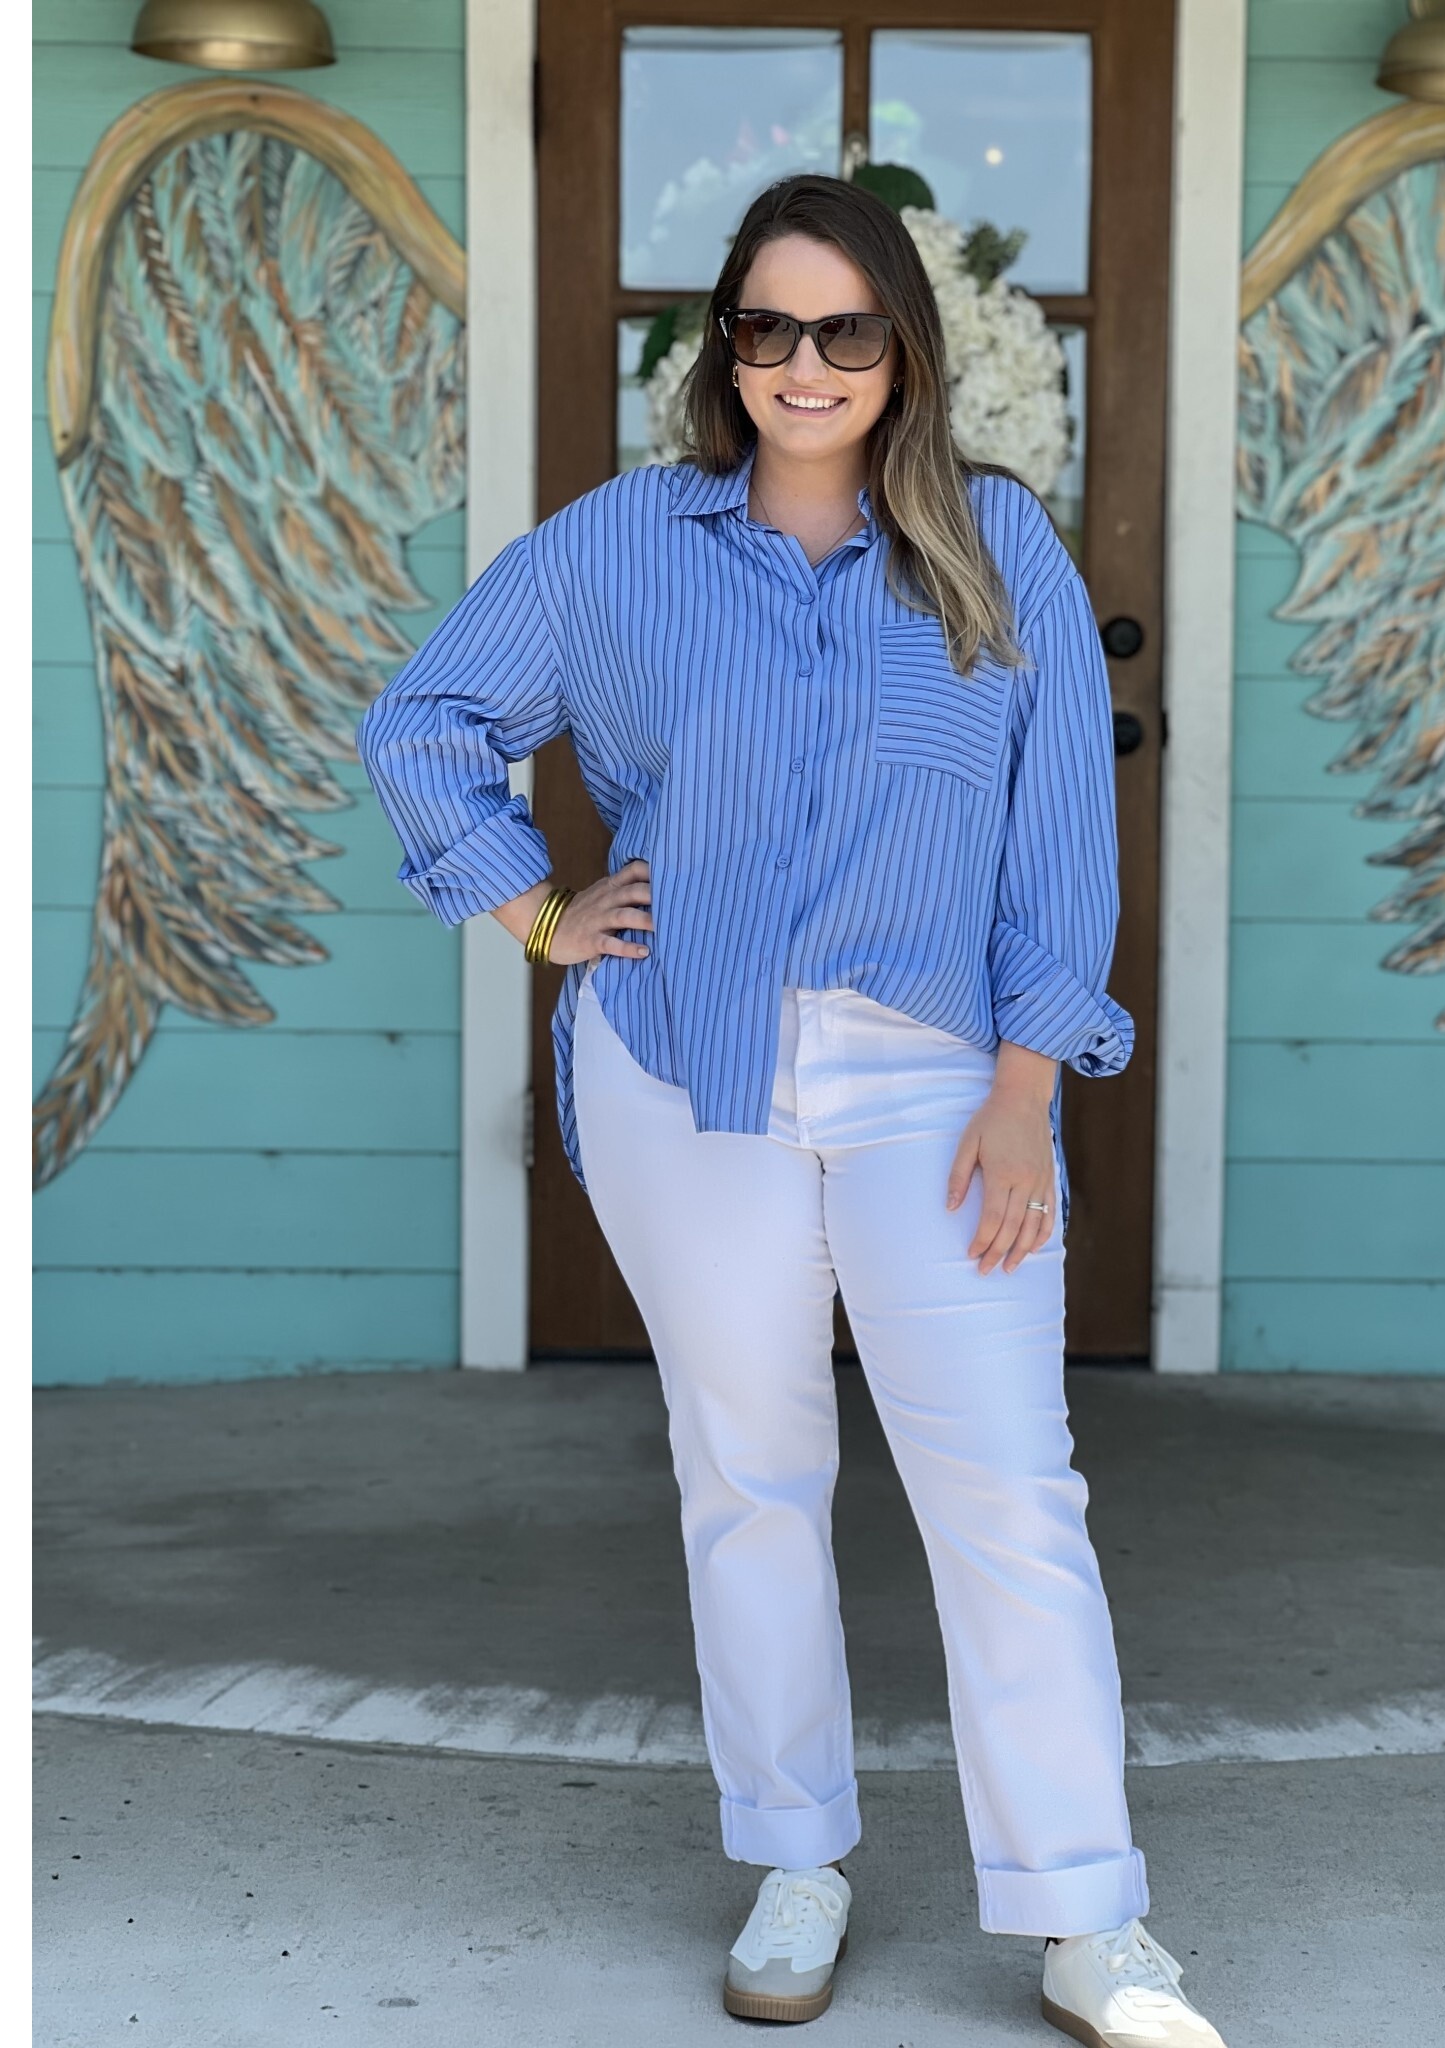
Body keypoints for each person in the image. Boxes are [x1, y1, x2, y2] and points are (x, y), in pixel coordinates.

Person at [359, 173, 1225, 2046]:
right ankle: (795, 1855)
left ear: (901, 345)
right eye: (768, 329)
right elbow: (424, 717)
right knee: (750, 1472)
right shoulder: (622, 544)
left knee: (1006, 1485)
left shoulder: (999, 553)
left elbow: (1058, 841)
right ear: (724, 353)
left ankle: (1086, 1915)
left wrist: (1025, 1087)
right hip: (687, 1062)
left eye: (844, 328)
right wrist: (534, 907)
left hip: (939, 1084)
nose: (805, 364)